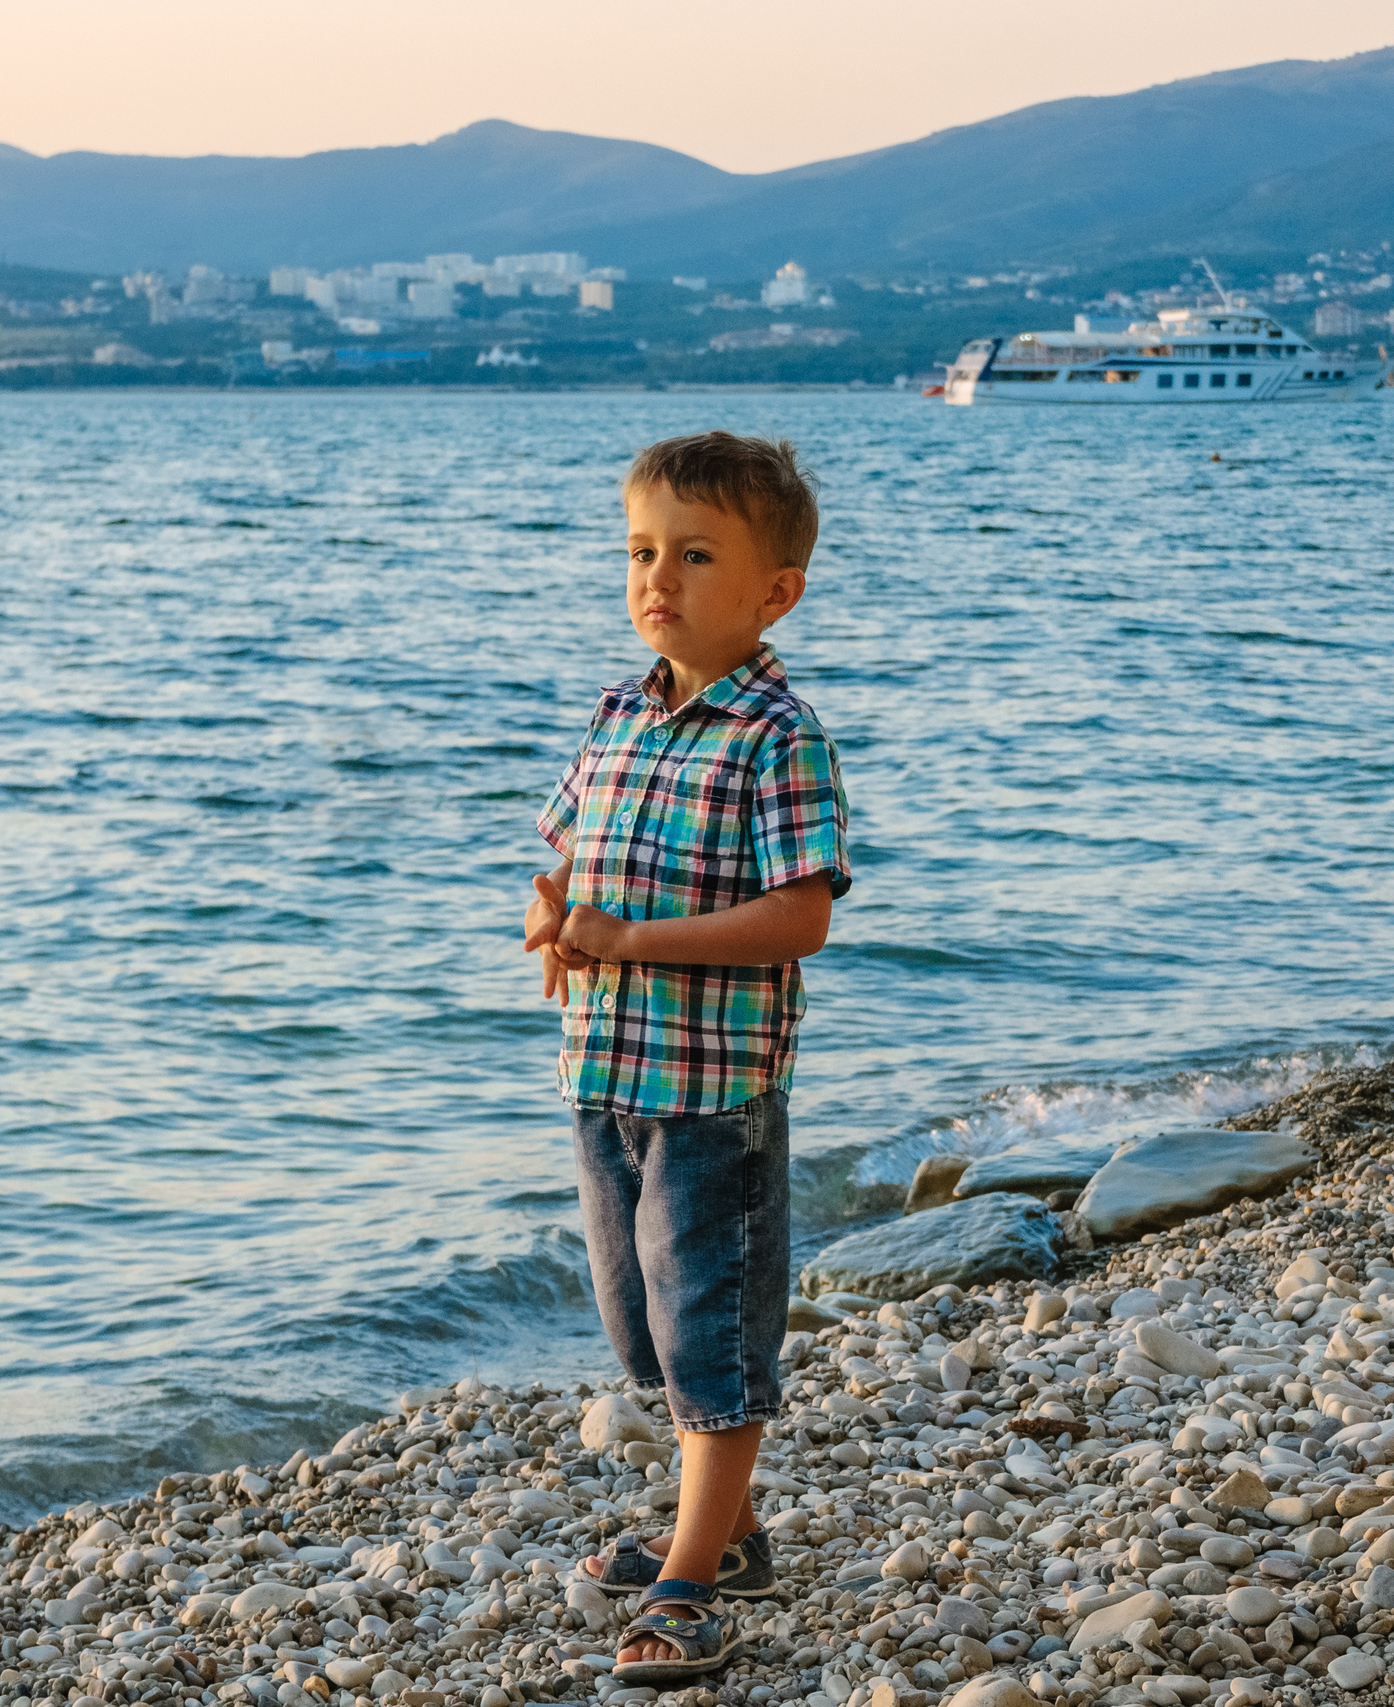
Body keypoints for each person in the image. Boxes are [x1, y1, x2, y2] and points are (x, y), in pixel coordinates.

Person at [523, 431, 851, 1686]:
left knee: (710, 1326)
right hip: (604, 1079)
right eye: (642, 551)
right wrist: (553, 914)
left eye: (696, 555)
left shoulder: (778, 737)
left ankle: (690, 1579)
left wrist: (636, 938)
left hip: (714, 1095)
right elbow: (565, 855)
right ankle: (739, 1532)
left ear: (776, 591)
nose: (658, 577)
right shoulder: (619, 710)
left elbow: (801, 916)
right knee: (639, 1325)